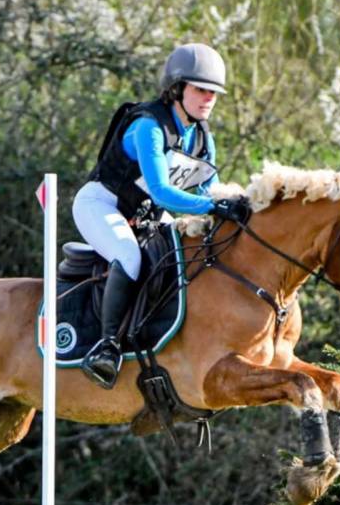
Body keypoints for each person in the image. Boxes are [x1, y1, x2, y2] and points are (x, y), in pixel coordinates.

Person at [72, 42, 252, 389]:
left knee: (185, 255)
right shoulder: (148, 126)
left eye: (214, 92)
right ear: (177, 88)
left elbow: (206, 190)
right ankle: (106, 347)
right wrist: (214, 207)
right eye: (200, 90)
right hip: (102, 204)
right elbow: (161, 192)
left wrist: (237, 205)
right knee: (129, 255)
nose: (208, 98)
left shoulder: (201, 136)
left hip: (148, 217)